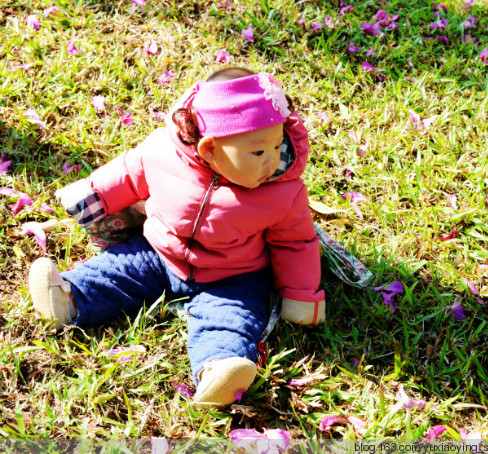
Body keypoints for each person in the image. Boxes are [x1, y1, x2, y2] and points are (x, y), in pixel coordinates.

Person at [28, 67, 325, 407]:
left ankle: (218, 368)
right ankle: (70, 297)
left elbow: (296, 242)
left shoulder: (282, 192)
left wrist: (301, 295)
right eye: (259, 153)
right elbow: (128, 172)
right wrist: (94, 194)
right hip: (158, 252)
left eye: (278, 144)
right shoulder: (162, 154)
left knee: (231, 319)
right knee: (115, 270)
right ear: (210, 148)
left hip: (232, 277)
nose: (273, 160)